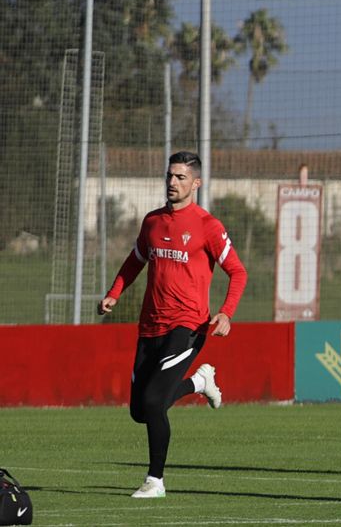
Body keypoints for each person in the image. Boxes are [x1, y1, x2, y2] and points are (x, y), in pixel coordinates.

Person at [98, 151, 247, 499]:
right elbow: (135, 261)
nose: (172, 183)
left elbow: (238, 271)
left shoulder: (208, 226)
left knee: (153, 403)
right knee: (139, 411)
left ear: (196, 183)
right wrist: (114, 293)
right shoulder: (152, 222)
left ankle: (155, 481)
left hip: (188, 326)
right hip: (150, 326)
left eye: (180, 177)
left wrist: (225, 312)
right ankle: (199, 382)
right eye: (169, 176)